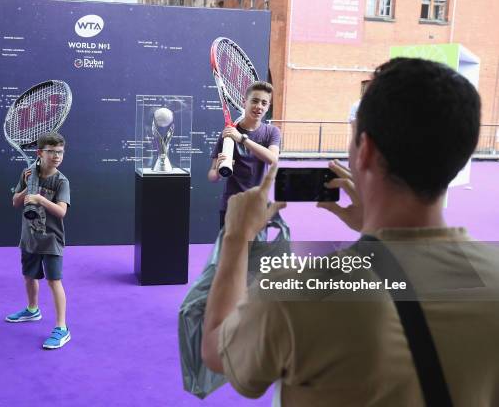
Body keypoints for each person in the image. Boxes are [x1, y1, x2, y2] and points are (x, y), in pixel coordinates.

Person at [202, 58, 499, 405]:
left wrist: (236, 240)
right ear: (461, 156)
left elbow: (216, 351)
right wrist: (371, 229)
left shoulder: (298, 291)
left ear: (366, 150)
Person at [5, 132, 72, 350]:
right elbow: (15, 202)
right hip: (29, 238)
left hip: (51, 240)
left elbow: (61, 212)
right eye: (51, 152)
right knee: (29, 276)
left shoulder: (62, 181)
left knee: (54, 281)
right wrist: (26, 187)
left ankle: (62, 328)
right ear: (39, 153)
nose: (56, 156)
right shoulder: (28, 173)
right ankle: (32, 310)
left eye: (60, 152)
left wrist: (41, 199)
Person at [208, 81, 281, 229]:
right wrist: (219, 171)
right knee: (231, 253)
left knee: (254, 252)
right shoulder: (228, 134)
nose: (259, 106)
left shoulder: (272, 132)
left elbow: (273, 159)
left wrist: (242, 139)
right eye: (254, 101)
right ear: (244, 101)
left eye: (264, 103)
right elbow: (212, 176)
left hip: (258, 206)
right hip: (231, 206)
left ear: (268, 107)